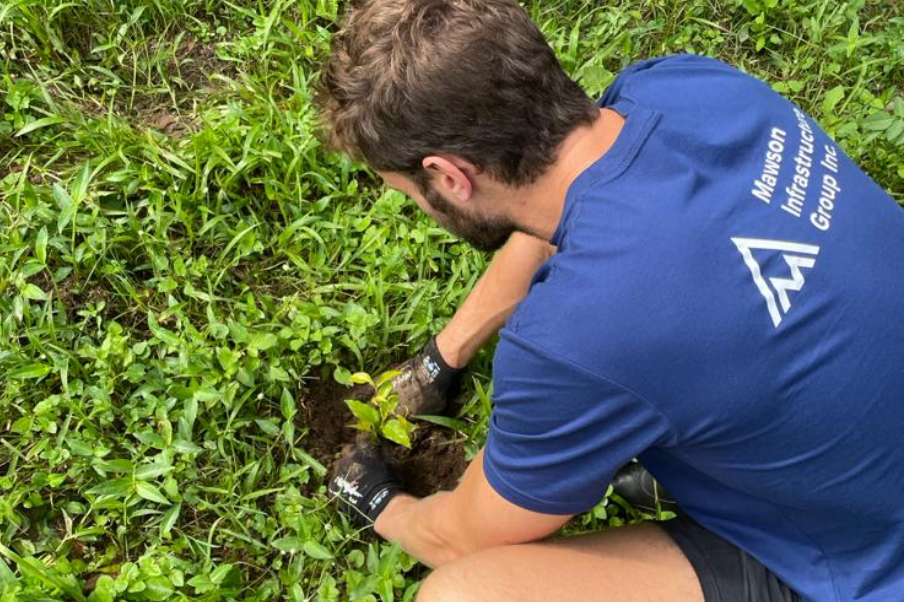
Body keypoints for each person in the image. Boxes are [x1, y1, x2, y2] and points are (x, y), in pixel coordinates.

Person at [315, 1, 904, 601]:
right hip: (869, 428)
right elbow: (560, 216)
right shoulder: (683, 85)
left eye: (407, 190)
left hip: (870, 556)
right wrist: (443, 358)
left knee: (462, 594)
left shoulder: (573, 340)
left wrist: (384, 502)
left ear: (448, 177)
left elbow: (462, 537)